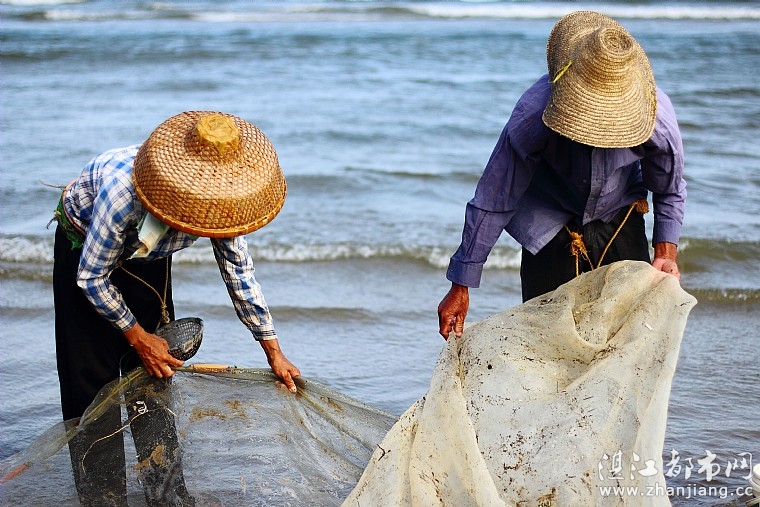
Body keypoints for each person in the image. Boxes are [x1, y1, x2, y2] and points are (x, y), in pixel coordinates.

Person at [51, 110, 301, 505]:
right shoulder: (122, 195)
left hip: (147, 253)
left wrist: (273, 350)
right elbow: (91, 278)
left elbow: (238, 272)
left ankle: (166, 495)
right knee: (92, 382)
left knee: (155, 371)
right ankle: (104, 497)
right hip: (87, 249)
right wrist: (137, 336)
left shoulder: (222, 199)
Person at [438, 11, 686, 340]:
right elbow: (495, 198)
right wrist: (461, 284)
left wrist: (665, 254)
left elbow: (669, 190)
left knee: (626, 337)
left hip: (620, 213)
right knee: (545, 338)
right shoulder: (533, 114)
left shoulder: (656, 118)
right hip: (548, 219)